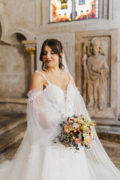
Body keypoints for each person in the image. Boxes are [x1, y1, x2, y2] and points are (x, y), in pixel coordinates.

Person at [0, 39, 120, 180]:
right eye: (44, 53)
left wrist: (81, 128)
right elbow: (37, 109)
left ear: (61, 54)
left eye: (53, 52)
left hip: (71, 132)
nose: (48, 56)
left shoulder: (68, 77)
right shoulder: (39, 76)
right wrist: (55, 132)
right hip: (48, 133)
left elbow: (76, 105)